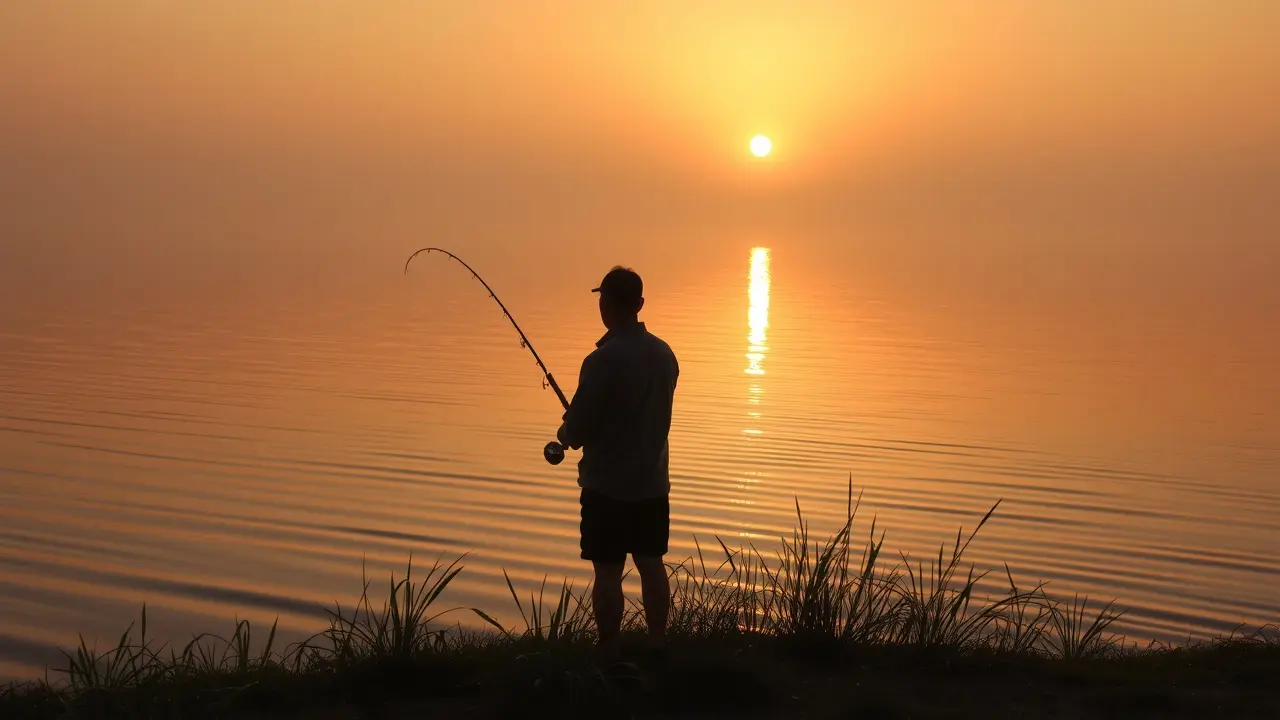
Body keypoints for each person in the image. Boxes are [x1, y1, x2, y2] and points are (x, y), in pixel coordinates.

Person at [557, 266, 679, 663]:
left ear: (605, 305)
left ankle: (609, 649)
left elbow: (575, 430)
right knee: (651, 564)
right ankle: (657, 646)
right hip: (651, 485)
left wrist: (565, 434)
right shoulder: (665, 356)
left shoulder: (602, 360)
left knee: (607, 571)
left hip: (607, 487)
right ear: (640, 305)